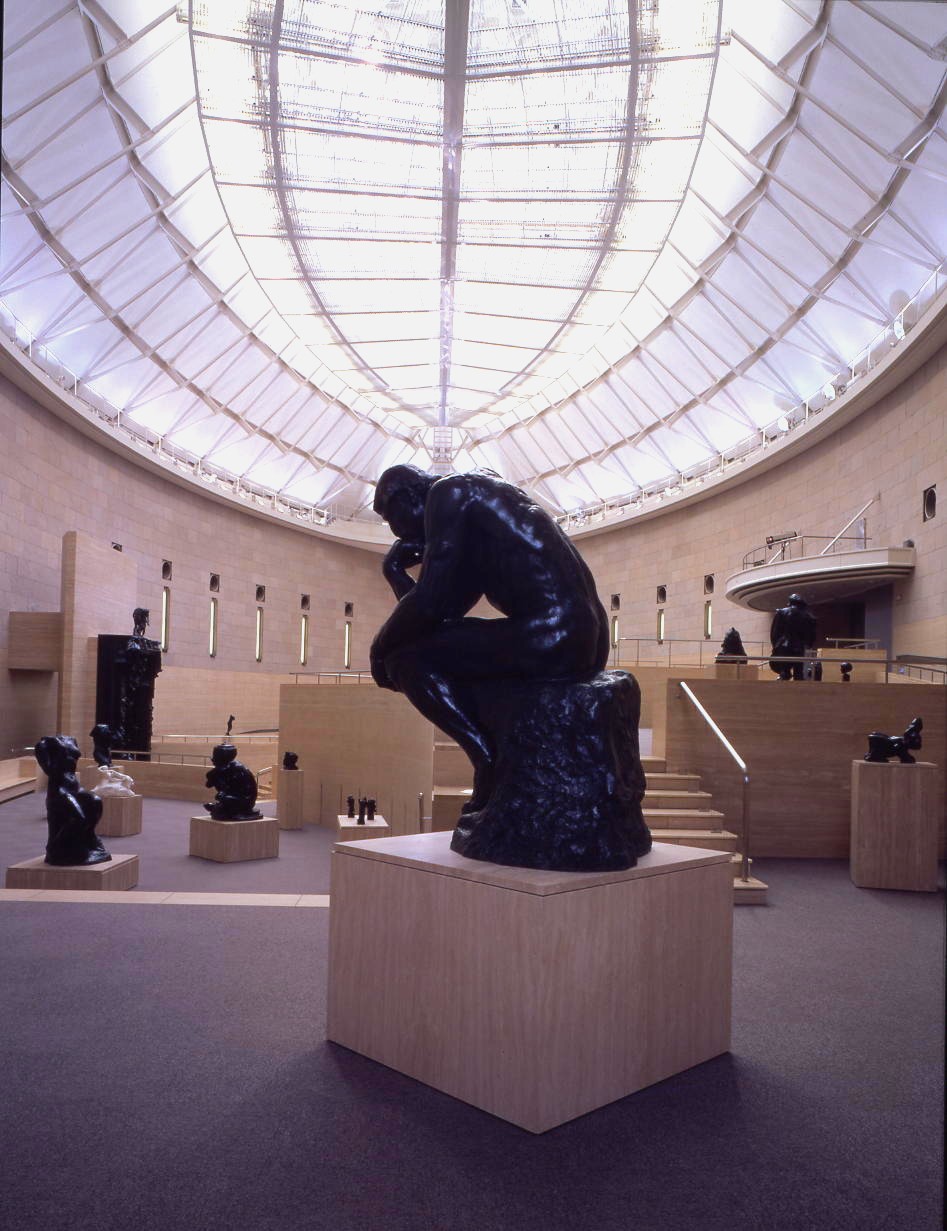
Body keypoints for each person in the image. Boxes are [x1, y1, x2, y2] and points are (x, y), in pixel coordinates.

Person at [370, 465, 609, 810]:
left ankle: (486, 759)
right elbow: (437, 615)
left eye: (391, 518)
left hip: (553, 634)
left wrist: (379, 648)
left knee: (402, 660)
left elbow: (429, 603)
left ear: (407, 497)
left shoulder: (448, 493)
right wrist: (394, 573)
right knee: (415, 648)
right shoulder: (482, 501)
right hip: (581, 641)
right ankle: (492, 755)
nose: (397, 532)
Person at [769, 593, 817, 680]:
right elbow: (812, 634)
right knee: (798, 672)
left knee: (784, 671)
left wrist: (775, 646)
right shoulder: (808, 616)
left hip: (784, 646)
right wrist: (808, 645)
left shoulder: (781, 612)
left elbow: (775, 632)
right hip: (799, 647)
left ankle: (784, 680)